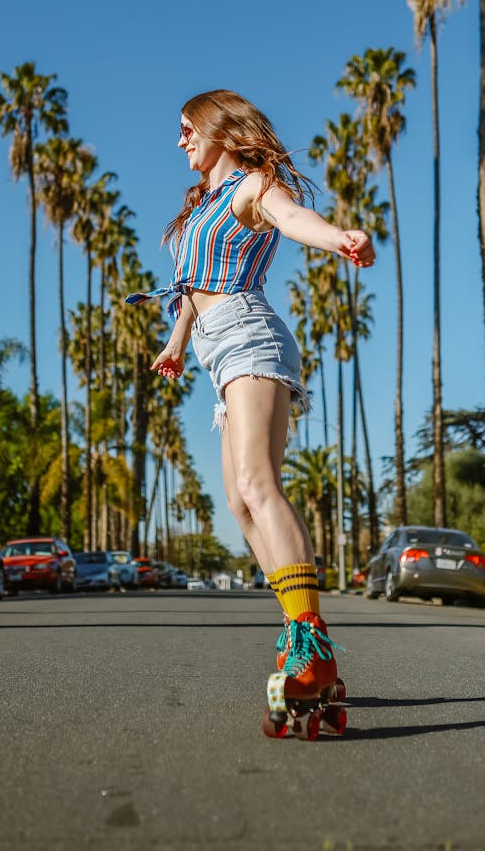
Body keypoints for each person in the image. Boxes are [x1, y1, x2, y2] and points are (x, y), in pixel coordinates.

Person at [126, 89, 375, 729]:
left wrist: (338, 238)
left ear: (220, 132)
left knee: (260, 486)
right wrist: (176, 343)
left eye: (188, 129)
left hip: (248, 335)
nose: (180, 140)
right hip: (216, 347)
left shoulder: (251, 185)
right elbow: (188, 289)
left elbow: (292, 219)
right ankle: (302, 639)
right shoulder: (202, 206)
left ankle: (310, 645)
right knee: (239, 500)